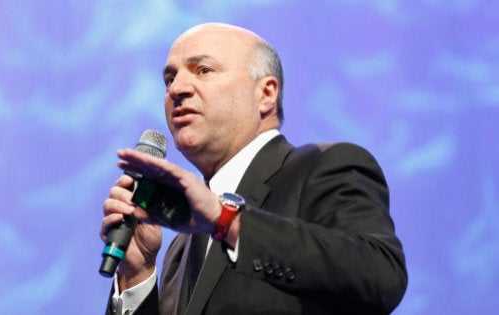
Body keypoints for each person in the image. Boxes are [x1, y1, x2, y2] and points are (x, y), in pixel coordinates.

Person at [101, 22, 407, 314]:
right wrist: (137, 277)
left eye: (203, 70)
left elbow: (380, 276)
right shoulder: (183, 243)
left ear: (266, 94)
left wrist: (226, 221)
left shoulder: (325, 167)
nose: (177, 88)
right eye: (169, 79)